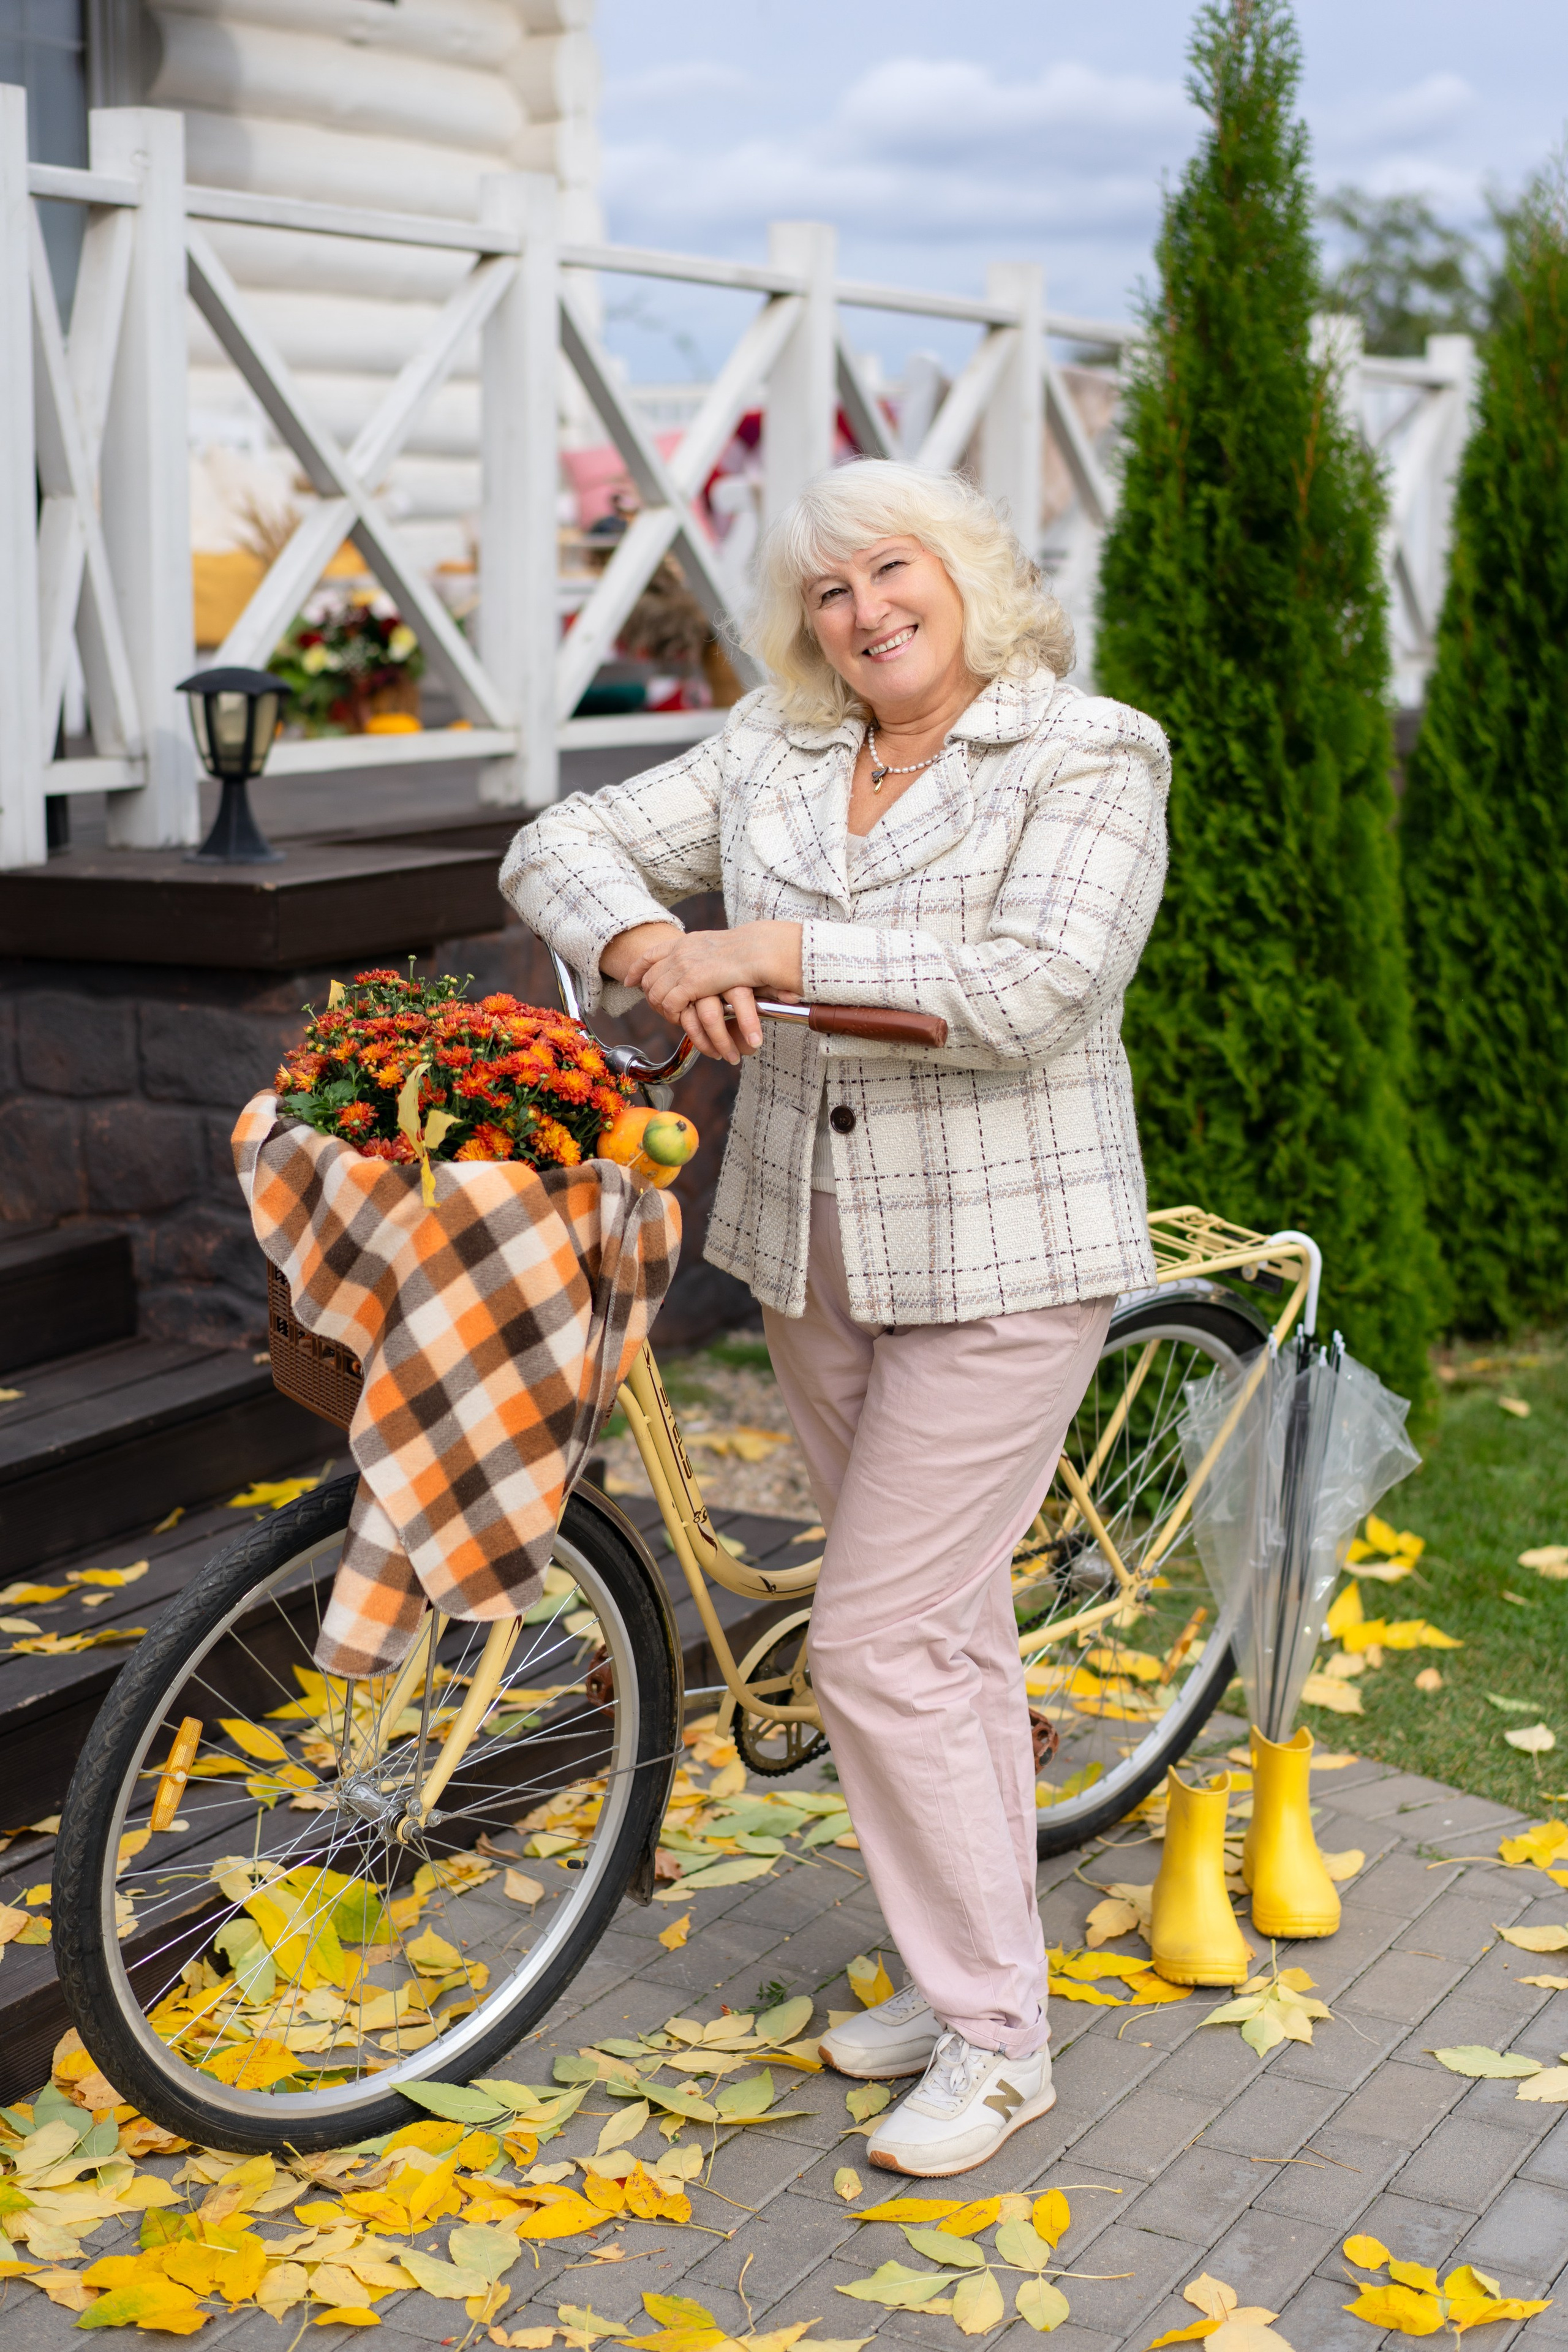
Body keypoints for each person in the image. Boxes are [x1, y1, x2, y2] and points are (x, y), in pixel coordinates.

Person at [501, 459, 1169, 2177]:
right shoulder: (774, 749)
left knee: (872, 1646)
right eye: (827, 590)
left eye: (893, 570)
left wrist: (771, 945)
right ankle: (967, 1986)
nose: (864, 611)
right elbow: (553, 840)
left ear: (966, 572)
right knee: (940, 1642)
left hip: (1008, 1258)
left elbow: (1034, 989)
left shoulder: (1089, 748)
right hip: (817, 1255)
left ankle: (1002, 2043)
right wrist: (659, 949)